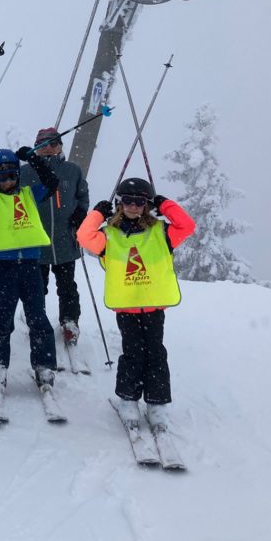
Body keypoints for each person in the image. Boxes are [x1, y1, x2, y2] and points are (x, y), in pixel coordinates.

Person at [76, 177, 195, 430]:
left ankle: (157, 403)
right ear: (119, 203)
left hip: (154, 306)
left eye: (139, 202)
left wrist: (165, 206)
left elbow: (187, 225)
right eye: (127, 201)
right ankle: (128, 400)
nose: (132, 206)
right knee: (132, 354)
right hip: (127, 307)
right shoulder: (109, 236)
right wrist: (98, 213)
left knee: (155, 353)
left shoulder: (161, 232)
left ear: (146, 204)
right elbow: (84, 236)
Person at [0, 143, 60, 395]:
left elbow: (52, 182)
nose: (8, 181)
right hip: (4, 269)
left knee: (37, 317)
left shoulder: (30, 194)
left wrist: (33, 158)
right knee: (2, 318)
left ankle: (44, 364)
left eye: (12, 175)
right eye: (1, 176)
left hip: (31, 267)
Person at [23, 127, 89, 350]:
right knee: (37, 286)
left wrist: (80, 215)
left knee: (67, 285)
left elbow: (82, 196)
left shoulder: (72, 170)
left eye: (53, 143)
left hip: (64, 239)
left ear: (61, 145)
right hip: (36, 240)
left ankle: (70, 321)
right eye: (42, 144)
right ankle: (36, 320)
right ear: (36, 147)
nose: (48, 147)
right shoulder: (26, 172)